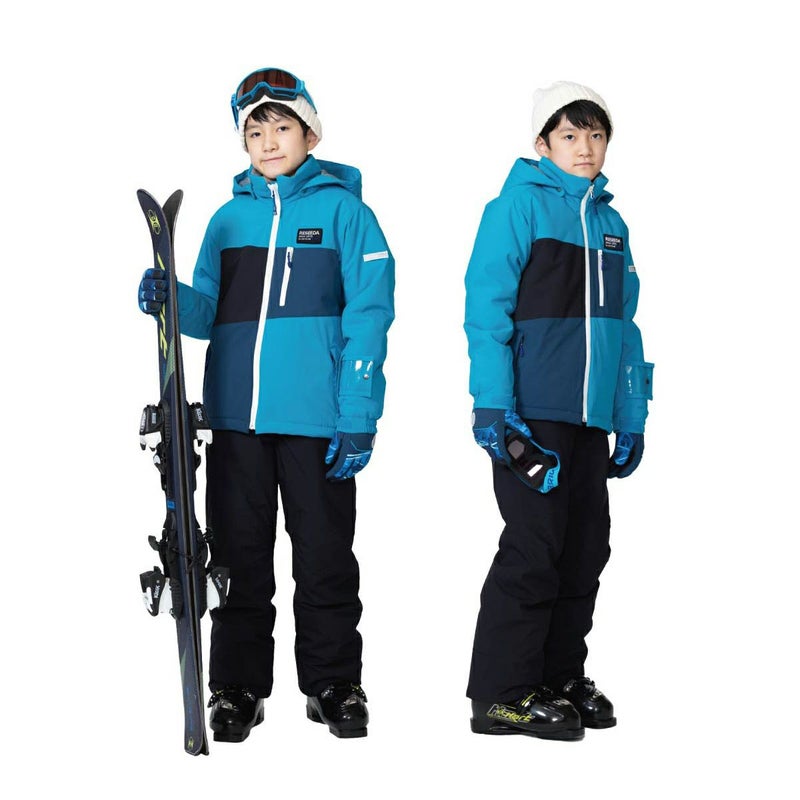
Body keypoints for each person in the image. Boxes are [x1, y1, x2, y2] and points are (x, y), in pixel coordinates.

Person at [138, 67, 395, 742]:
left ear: (311, 133)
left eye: (283, 127)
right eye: (255, 132)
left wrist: (358, 414)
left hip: (316, 420)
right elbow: (207, 311)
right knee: (237, 557)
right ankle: (237, 687)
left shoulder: (346, 214)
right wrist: (169, 297)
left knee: (325, 557)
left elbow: (370, 317)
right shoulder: (229, 221)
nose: (270, 141)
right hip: (235, 419)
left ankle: (334, 682)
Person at [463, 81, 653, 741]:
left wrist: (631, 413)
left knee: (585, 548)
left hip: (589, 417)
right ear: (543, 143)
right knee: (534, 548)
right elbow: (485, 310)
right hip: (533, 411)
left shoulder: (611, 225)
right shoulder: (516, 208)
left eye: (596, 135)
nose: (585, 147)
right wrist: (492, 405)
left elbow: (625, 328)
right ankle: (502, 694)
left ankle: (559, 677)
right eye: (570, 135)